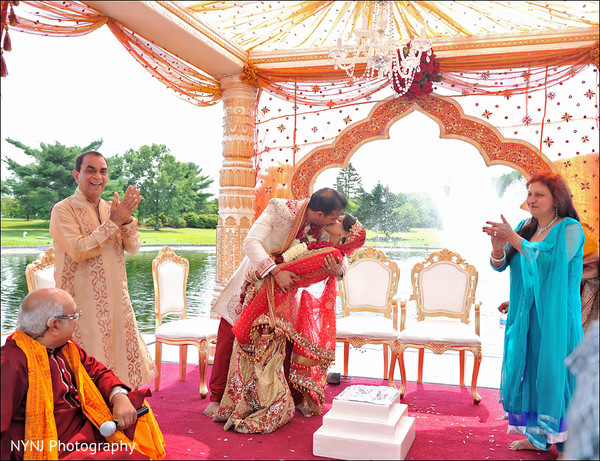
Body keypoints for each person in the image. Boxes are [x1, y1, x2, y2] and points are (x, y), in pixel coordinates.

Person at [213, 215, 366, 433]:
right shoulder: (282, 211)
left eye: (338, 217)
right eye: (333, 215)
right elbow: (252, 244)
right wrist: (270, 272)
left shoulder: (328, 243)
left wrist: (337, 270)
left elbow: (337, 262)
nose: (335, 218)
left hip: (281, 296)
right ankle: (225, 398)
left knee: (274, 351)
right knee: (237, 343)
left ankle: (275, 401)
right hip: (262, 284)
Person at [483, 170, 584, 453]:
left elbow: (549, 264)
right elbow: (502, 266)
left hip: (557, 319)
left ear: (557, 199)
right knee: (531, 373)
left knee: (557, 376)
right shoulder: (526, 227)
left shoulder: (570, 228)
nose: (531, 199)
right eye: (529, 194)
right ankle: (538, 438)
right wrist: (497, 248)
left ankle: (569, 444)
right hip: (527, 315)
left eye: (539, 194)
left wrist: (513, 239)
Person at [0, 288, 166, 460]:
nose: (78, 320)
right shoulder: (11, 361)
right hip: (57, 446)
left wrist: (119, 396)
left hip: (87, 425)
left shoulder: (66, 348)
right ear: (54, 325)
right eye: (74, 316)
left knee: (136, 405)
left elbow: (97, 372)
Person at [49, 151, 154, 390]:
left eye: (103, 171)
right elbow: (79, 250)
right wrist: (115, 222)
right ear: (77, 175)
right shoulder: (63, 209)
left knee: (122, 368)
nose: (98, 176)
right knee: (87, 373)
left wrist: (126, 221)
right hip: (82, 304)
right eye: (90, 170)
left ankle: (121, 408)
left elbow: (134, 247)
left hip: (117, 299)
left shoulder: (111, 209)